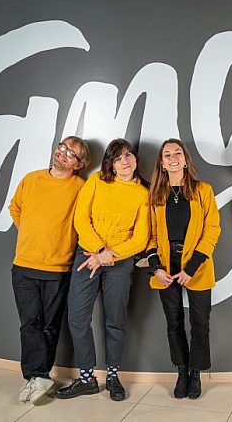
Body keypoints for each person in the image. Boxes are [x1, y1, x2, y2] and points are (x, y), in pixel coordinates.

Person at [55, 139, 150, 402]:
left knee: (115, 320)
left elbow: (140, 239)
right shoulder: (96, 181)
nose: (125, 161)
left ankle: (112, 376)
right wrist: (99, 251)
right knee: (77, 317)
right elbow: (81, 220)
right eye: (118, 158)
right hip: (87, 256)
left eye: (129, 156)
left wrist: (108, 256)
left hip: (120, 262)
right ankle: (87, 378)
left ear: (135, 160)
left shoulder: (143, 194)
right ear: (110, 163)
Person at [9, 136, 90, 404]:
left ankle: (39, 375)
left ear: (78, 165)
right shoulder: (31, 179)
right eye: (62, 147)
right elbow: (16, 208)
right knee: (29, 323)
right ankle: (35, 377)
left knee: (50, 326)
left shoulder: (81, 187)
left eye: (72, 153)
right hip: (23, 266)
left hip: (57, 268)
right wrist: (30, 235)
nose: (63, 154)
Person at [146, 139, 221, 399]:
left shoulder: (203, 190)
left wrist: (191, 267)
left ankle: (196, 374)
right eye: (167, 155)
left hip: (196, 266)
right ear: (162, 163)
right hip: (165, 267)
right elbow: (151, 236)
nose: (173, 157)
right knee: (173, 323)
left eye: (177, 153)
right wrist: (155, 268)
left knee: (200, 323)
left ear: (186, 160)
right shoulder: (155, 195)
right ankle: (181, 371)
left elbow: (212, 230)